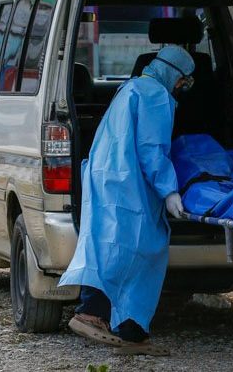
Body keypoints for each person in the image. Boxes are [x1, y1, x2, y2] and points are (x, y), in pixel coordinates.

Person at [59, 45, 195, 356]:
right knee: (140, 251)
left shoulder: (132, 87)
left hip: (109, 179)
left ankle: (128, 330)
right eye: (183, 80)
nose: (181, 88)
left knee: (108, 246)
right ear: (174, 73)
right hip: (129, 185)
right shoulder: (156, 96)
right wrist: (169, 190)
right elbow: (151, 148)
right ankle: (98, 315)